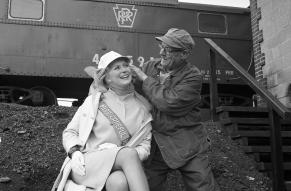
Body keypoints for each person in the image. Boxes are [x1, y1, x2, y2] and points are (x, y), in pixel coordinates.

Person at [130, 28, 219, 191]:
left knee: (203, 187)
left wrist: (144, 79)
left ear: (184, 54)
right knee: (145, 186)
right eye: (161, 47)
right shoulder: (151, 66)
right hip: (157, 143)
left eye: (168, 49)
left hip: (187, 142)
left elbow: (168, 103)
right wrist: (114, 76)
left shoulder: (193, 76)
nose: (162, 52)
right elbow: (134, 90)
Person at [51, 51, 152, 191]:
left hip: (119, 166)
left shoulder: (142, 108)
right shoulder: (93, 101)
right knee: (127, 153)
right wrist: (74, 152)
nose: (124, 70)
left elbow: (145, 146)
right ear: (107, 78)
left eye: (125, 66)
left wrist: (118, 153)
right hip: (86, 164)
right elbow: (70, 131)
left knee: (119, 182)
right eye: (117, 68)